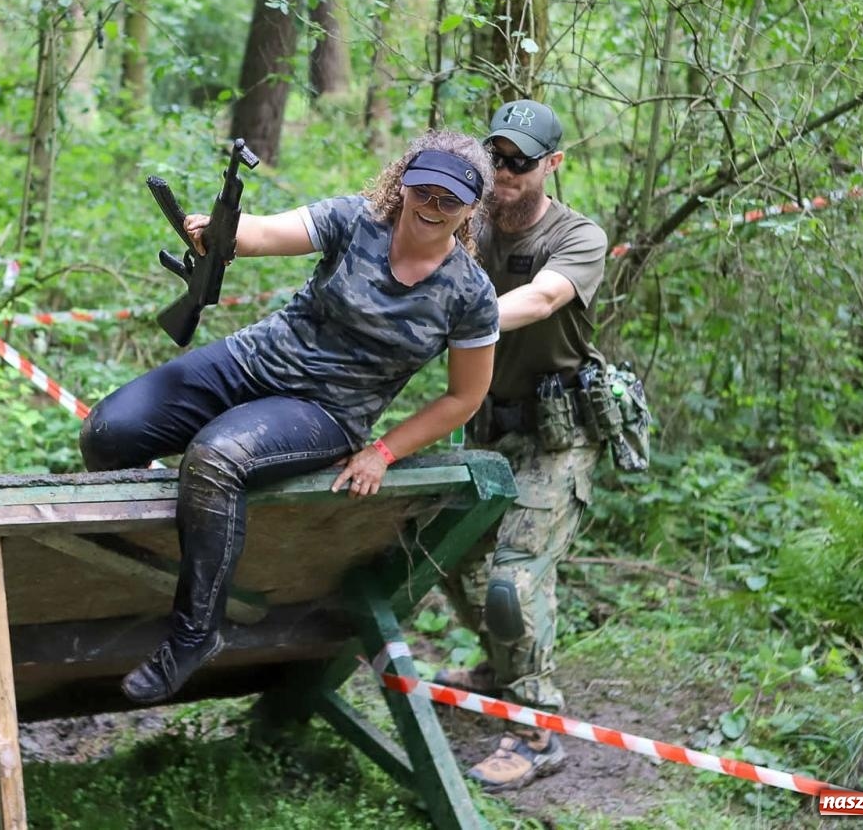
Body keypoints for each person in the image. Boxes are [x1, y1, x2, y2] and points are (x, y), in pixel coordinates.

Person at [81, 131, 502, 705]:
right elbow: (268, 231)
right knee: (108, 433)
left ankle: (194, 635)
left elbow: (465, 397)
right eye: (422, 191)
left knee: (216, 458)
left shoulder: (470, 294)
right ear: (401, 183)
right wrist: (220, 231)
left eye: (448, 200)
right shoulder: (354, 220)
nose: (431, 208)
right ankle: (134, 573)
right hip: (252, 361)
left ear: (471, 209)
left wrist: (383, 451)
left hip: (326, 410)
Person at [437, 99, 609, 793]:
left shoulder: (579, 236)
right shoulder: (467, 223)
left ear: (552, 165)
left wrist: (442, 321)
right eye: (496, 160)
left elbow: (538, 302)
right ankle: (500, 668)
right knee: (444, 550)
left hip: (559, 433)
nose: (504, 174)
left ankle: (535, 729)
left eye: (521, 162)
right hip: (489, 427)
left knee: (512, 581)